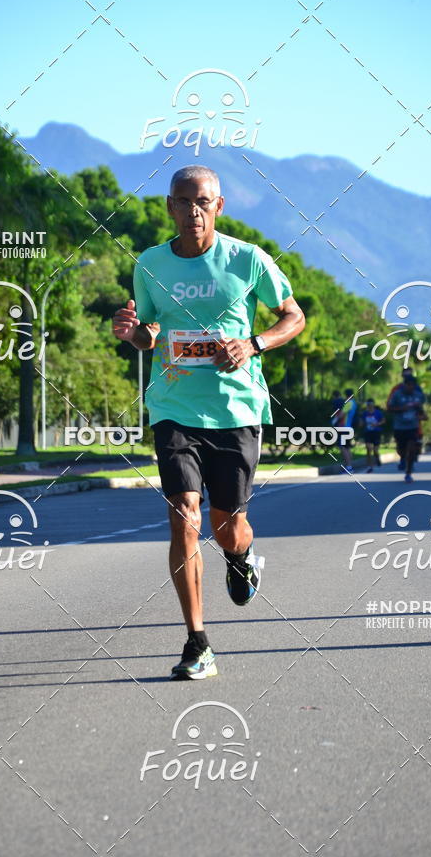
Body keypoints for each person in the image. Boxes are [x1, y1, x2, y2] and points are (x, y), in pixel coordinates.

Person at [113, 166, 305, 680]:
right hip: (174, 406)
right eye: (184, 201)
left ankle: (241, 557)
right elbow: (151, 332)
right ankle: (197, 641)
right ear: (169, 206)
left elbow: (294, 316)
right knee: (184, 516)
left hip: (237, 411)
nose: (193, 211)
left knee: (227, 529)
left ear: (219, 206)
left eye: (203, 202)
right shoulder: (150, 263)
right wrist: (133, 334)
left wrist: (253, 343)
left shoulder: (247, 259)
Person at [388, 376, 425, 483]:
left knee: (412, 449)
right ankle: (403, 458)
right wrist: (401, 409)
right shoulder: (397, 395)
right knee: (401, 450)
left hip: (413, 426)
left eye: (413, 385)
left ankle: (408, 473)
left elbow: (420, 409)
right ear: (405, 385)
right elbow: (389, 408)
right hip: (399, 427)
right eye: (409, 385)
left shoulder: (418, 396)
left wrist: (422, 415)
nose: (411, 387)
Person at [331, 390, 353, 472]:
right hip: (348, 427)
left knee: (343, 447)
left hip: (342, 427)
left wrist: (334, 421)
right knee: (347, 447)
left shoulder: (336, 402)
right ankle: (350, 466)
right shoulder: (347, 402)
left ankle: (349, 467)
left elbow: (340, 414)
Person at [361, 399, 385, 472]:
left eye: (371, 405)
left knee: (375, 450)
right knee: (368, 449)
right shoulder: (365, 413)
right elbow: (362, 422)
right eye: (368, 405)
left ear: (373, 405)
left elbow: (383, 420)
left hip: (376, 432)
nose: (370, 406)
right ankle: (369, 466)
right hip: (368, 432)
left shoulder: (378, 413)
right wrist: (361, 423)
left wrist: (377, 424)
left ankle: (377, 457)